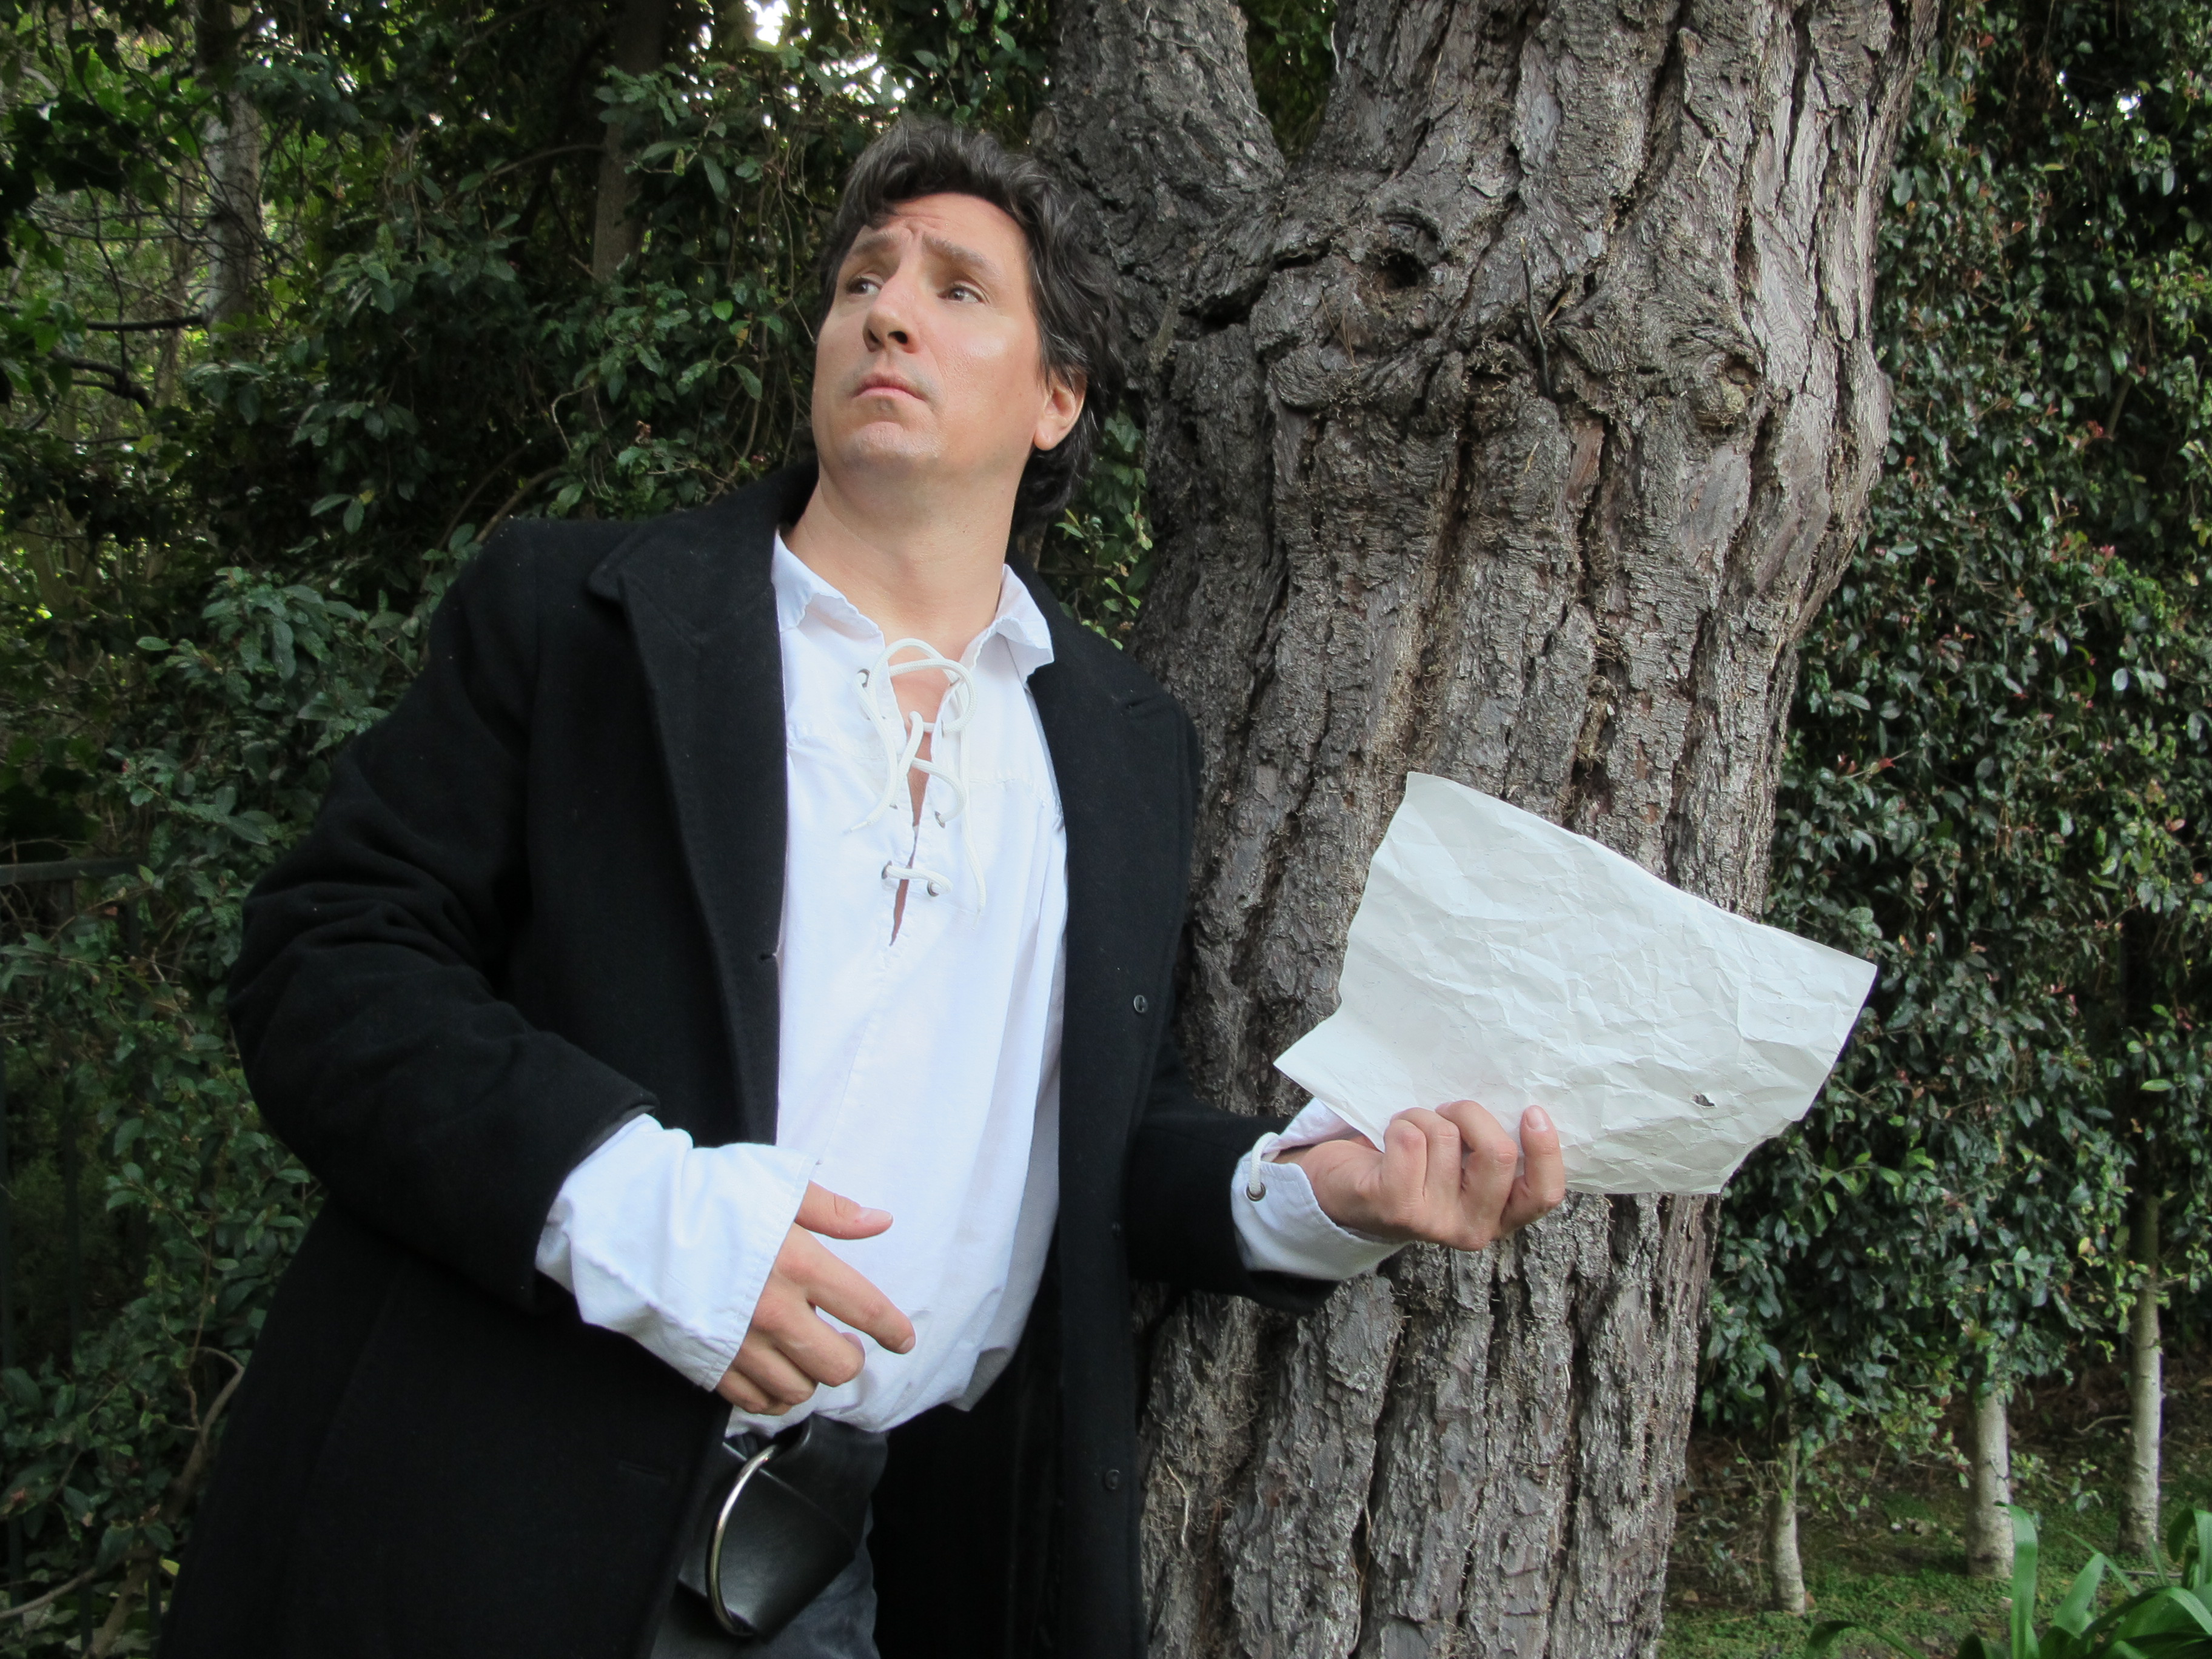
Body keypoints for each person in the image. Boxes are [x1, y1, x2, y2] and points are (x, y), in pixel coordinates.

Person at [161, 118, 1567, 1659]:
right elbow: (326, 962)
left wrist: (1304, 1195)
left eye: (958, 288)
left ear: (1058, 396)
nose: (888, 311)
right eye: (861, 281)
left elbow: (1101, 1128)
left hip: (835, 1578)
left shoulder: (1123, 742)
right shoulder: (576, 615)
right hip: (467, 1516)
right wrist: (634, 1208)